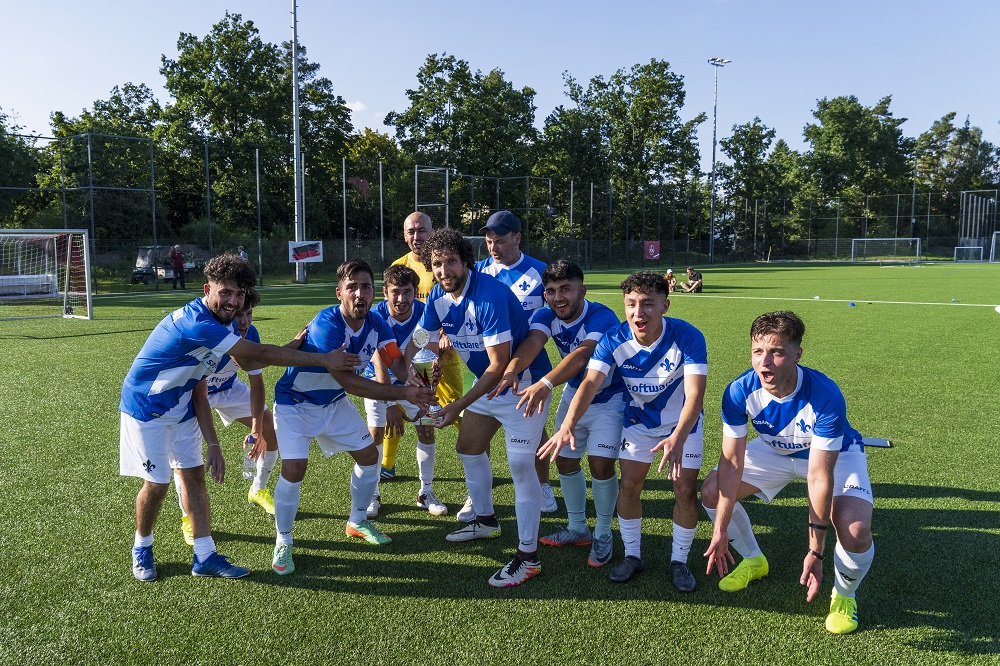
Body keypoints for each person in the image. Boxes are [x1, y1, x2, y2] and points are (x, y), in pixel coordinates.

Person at [120, 253, 361, 582]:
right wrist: (324, 359)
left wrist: (214, 443)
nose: (232, 302)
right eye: (225, 293)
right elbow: (259, 355)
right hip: (146, 409)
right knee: (158, 484)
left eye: (239, 295)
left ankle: (204, 556)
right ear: (208, 289)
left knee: (193, 479)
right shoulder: (198, 323)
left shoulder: (228, 322)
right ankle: (142, 547)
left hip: (183, 405)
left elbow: (205, 389)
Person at [701, 311, 875, 635]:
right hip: (774, 450)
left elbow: (819, 476)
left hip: (835, 453)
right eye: (757, 351)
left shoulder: (825, 395)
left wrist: (816, 551)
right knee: (711, 493)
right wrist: (720, 528)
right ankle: (754, 560)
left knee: (854, 528)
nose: (764, 362)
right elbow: (732, 463)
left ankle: (845, 594)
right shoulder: (739, 391)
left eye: (777, 352)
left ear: (797, 354)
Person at [403, 228, 552, 588]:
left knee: (519, 465)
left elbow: (499, 365)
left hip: (521, 385)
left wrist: (457, 405)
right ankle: (486, 520)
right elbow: (420, 340)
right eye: (437, 264)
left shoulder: (488, 295)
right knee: (468, 447)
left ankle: (528, 558)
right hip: (486, 386)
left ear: (465, 262)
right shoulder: (439, 294)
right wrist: (412, 373)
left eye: (451, 262)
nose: (443, 271)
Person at [270, 259, 437, 576]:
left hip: (333, 403)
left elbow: (395, 362)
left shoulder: (377, 323)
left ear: (374, 292)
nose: (360, 293)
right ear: (339, 293)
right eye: (352, 287)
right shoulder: (327, 324)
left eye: (366, 287)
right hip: (295, 404)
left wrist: (415, 381)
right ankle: (284, 540)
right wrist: (402, 395)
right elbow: (349, 381)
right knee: (294, 469)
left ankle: (357, 521)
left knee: (369, 456)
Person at [541, 270, 706, 590]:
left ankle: (680, 561)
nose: (638, 312)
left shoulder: (687, 336)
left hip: (683, 426)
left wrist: (678, 437)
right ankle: (632, 556)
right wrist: (567, 425)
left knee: (684, 490)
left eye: (647, 304)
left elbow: (696, 395)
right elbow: (589, 383)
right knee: (630, 487)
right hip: (638, 425)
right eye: (631, 304)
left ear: (665, 306)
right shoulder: (615, 338)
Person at [492, 259, 625, 569]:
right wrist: (512, 370)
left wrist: (545, 382)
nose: (558, 297)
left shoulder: (602, 315)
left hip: (610, 397)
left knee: (601, 464)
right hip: (574, 395)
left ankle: (603, 533)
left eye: (566, 289)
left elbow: (582, 355)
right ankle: (578, 527)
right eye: (550, 291)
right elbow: (533, 342)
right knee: (564, 460)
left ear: (582, 290)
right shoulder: (546, 314)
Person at [173, 288, 281, 546]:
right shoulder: (210, 332)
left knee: (272, 430)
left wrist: (256, 428)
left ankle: (258, 488)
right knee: (185, 459)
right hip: (190, 393)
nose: (244, 321)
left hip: (228, 388)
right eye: (239, 315)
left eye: (249, 314)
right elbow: (197, 386)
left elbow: (257, 382)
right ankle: (188, 518)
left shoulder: (250, 333)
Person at [475, 210, 557, 516]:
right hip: (487, 366)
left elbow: (552, 318)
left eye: (500, 240)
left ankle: (543, 485)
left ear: (517, 238)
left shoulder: (540, 272)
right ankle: (478, 493)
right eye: (489, 241)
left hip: (531, 368)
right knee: (477, 432)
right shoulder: (479, 273)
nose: (493, 247)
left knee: (535, 431)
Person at [363, 264, 447, 519]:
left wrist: (433, 371)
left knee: (427, 429)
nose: (401, 299)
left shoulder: (424, 313)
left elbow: (429, 350)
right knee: (376, 435)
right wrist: (389, 403)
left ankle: (426, 493)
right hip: (378, 382)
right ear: (385, 292)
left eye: (407, 292)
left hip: (414, 380)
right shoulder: (375, 315)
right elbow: (379, 361)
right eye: (395, 292)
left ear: (415, 292)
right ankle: (373, 494)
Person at [385, 211, 464, 481]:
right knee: (406, 411)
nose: (416, 236)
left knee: (457, 408)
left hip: (444, 351)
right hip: (411, 355)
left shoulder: (442, 264)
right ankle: (387, 464)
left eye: (422, 231)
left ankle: (476, 455)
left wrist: (444, 332)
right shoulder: (400, 265)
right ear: (405, 235)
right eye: (411, 231)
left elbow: (454, 302)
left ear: (432, 232)